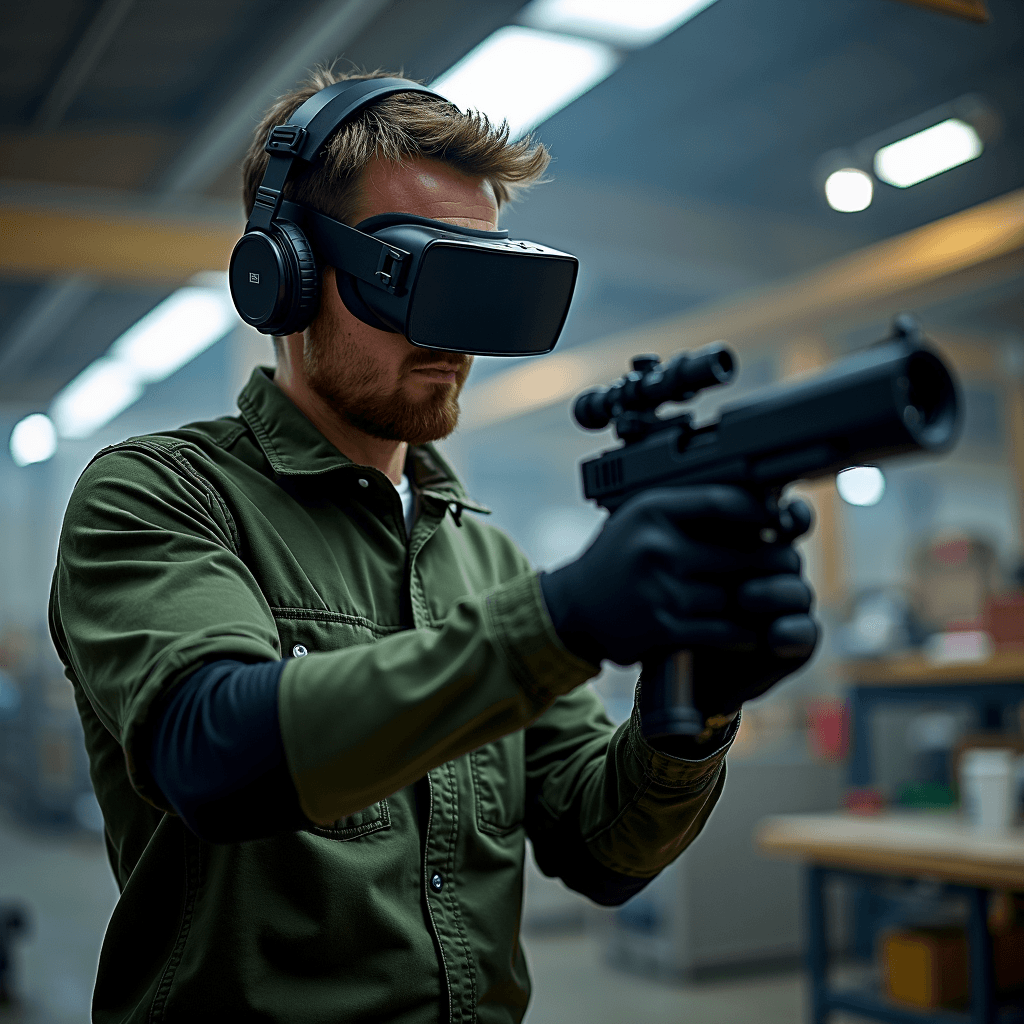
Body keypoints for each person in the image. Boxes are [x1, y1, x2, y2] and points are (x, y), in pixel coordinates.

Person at [49, 68, 816, 1023]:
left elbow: (602, 851)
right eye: (411, 277)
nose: (453, 335)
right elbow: (213, 750)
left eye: (481, 286)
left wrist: (691, 707)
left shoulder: (480, 557)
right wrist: (562, 620)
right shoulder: (162, 495)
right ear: (282, 274)